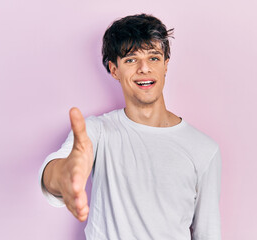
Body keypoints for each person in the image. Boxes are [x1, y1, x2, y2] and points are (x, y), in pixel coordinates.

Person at [39, 13, 222, 239]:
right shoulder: (96, 132)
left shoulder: (204, 149)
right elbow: (53, 173)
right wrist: (66, 176)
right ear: (114, 69)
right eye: (131, 59)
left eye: (154, 58)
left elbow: (207, 233)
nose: (144, 68)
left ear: (166, 65)